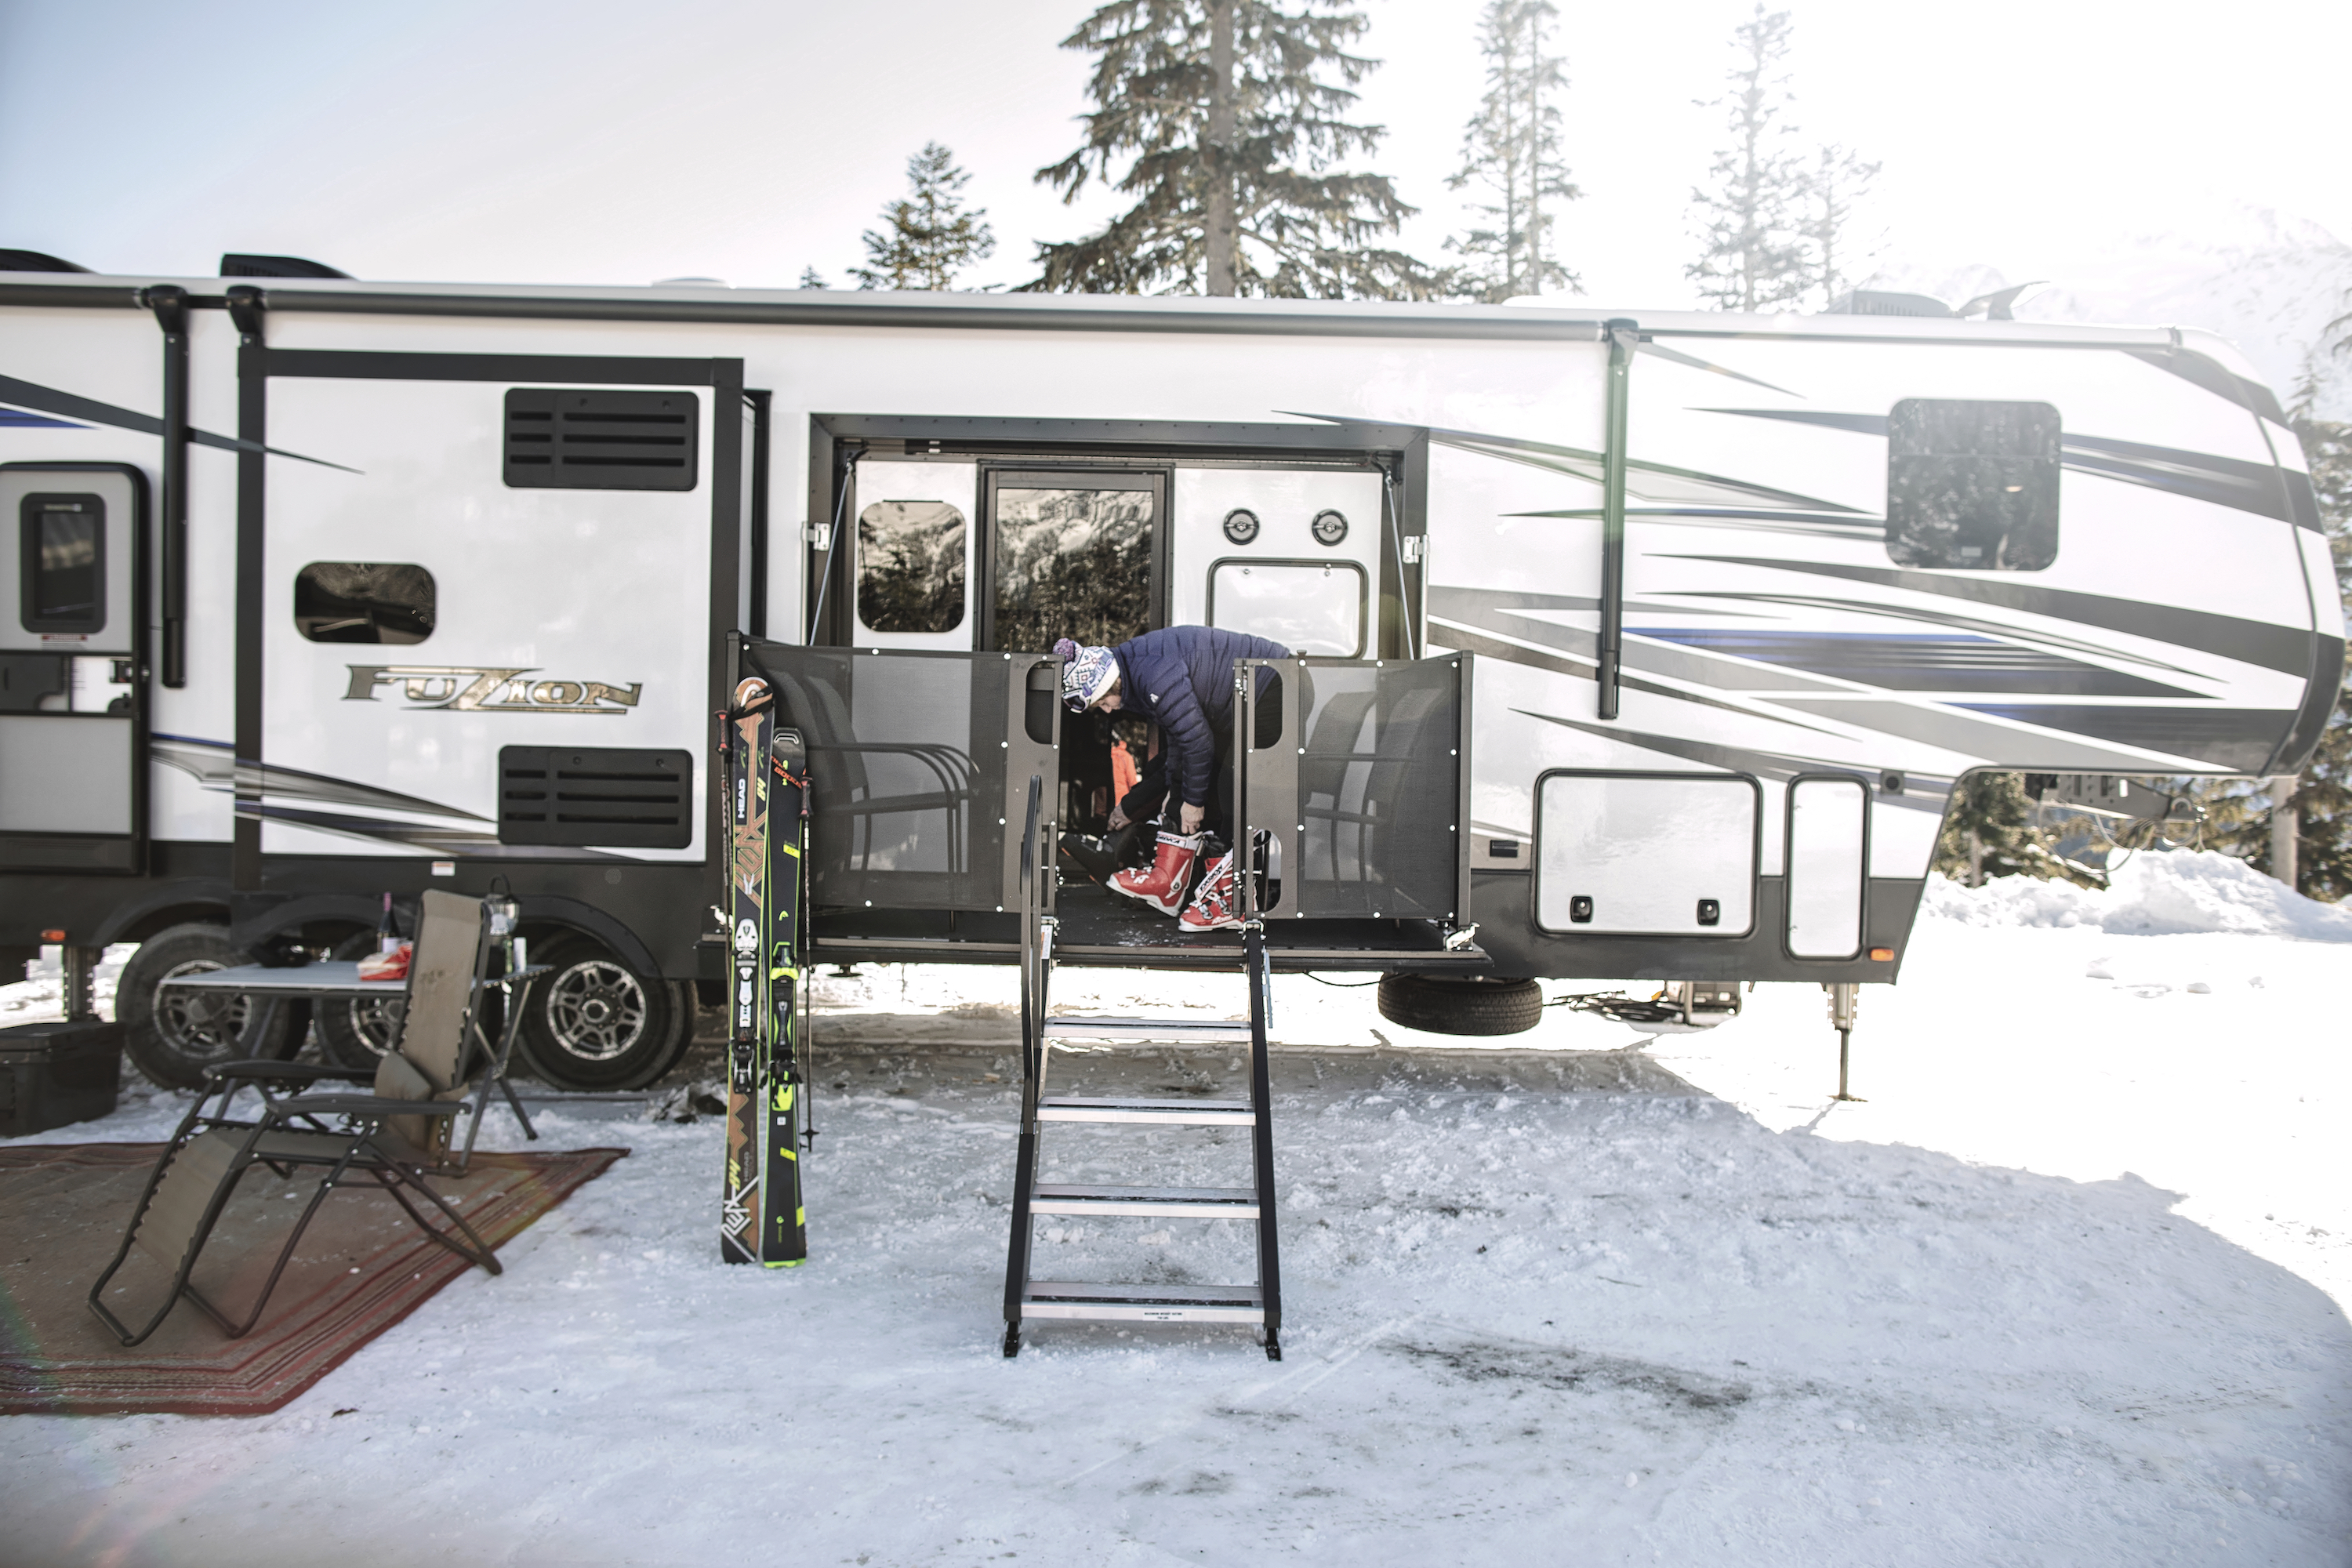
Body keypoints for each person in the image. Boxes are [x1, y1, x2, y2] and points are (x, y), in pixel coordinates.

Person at [1055, 626, 1291, 932]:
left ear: (1110, 683)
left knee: (1230, 787)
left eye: (1102, 701)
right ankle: (1168, 885)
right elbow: (1180, 740)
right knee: (1196, 786)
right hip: (1250, 695)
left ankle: (1235, 905)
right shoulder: (1135, 672)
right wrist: (1175, 790)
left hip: (1276, 685)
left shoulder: (1151, 673)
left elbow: (1197, 742)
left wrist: (1192, 802)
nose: (1107, 711)